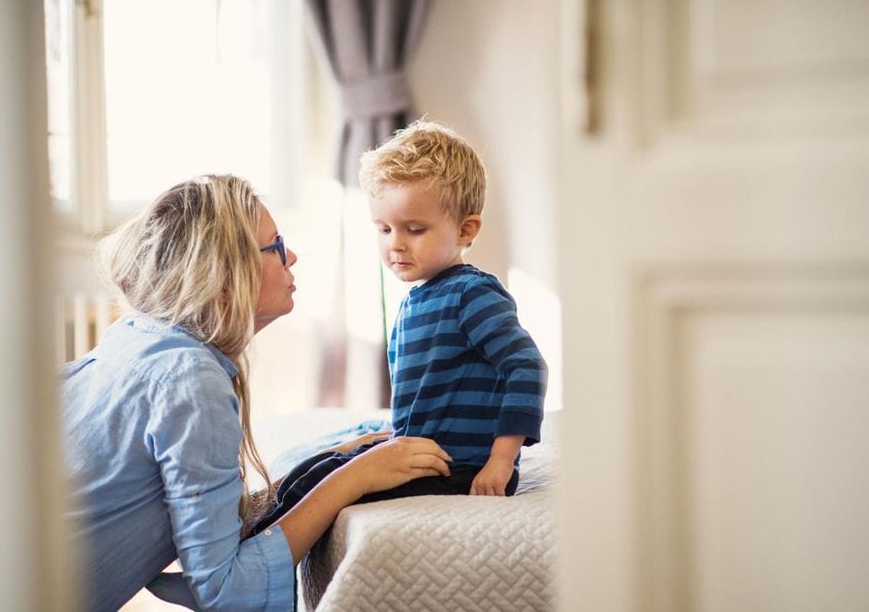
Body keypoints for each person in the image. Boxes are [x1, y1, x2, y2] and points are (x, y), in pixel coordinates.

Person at [60, 174, 453, 611]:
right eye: (275, 246)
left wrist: (331, 462)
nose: (293, 256)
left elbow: (209, 519)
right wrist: (355, 477)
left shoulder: (136, 338)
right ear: (224, 278)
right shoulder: (189, 379)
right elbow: (227, 590)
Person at [245, 121, 547, 533]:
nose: (395, 244)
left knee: (329, 485)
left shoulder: (471, 295)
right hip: (422, 455)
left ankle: (248, 552)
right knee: (319, 466)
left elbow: (527, 368)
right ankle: (240, 534)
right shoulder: (418, 299)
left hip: (458, 468)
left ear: (465, 229)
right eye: (384, 229)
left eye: (415, 230)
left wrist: (500, 461)